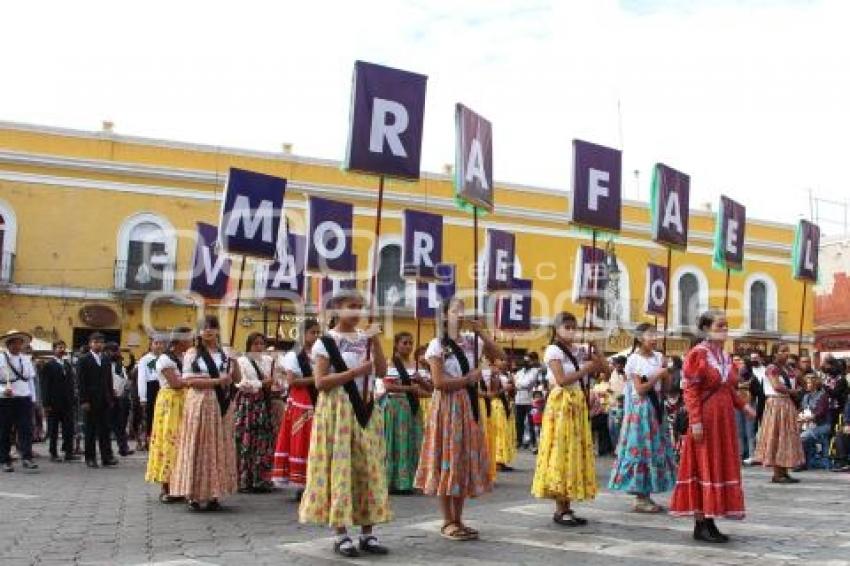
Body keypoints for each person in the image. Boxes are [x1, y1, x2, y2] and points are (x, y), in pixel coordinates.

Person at [299, 290, 391, 557]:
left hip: (364, 408)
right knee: (341, 467)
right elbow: (320, 382)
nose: (357, 312)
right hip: (338, 409)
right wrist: (354, 372)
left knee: (367, 466)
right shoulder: (326, 342)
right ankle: (341, 533)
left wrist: (375, 341)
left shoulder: (365, 339)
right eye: (352, 306)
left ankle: (368, 532)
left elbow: (382, 371)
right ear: (337, 309)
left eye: (360, 307)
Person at [415, 296, 502, 542]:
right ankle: (447, 520)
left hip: (469, 404)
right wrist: (468, 379)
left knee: (462, 460)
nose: (460, 314)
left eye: (462, 310)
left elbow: (501, 355)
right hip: (448, 405)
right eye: (455, 310)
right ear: (444, 316)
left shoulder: (471, 342)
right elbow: (439, 383)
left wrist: (482, 333)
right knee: (448, 459)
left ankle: (459, 518)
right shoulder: (437, 345)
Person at [669, 310, 756, 543]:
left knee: (718, 465)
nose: (725, 330)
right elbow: (690, 390)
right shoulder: (697, 355)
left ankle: (711, 520)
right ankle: (702, 522)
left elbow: (728, 388)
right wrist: (695, 421)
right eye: (720, 326)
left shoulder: (725, 357)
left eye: (726, 326)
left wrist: (743, 406)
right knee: (704, 466)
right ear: (706, 329)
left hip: (724, 420)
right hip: (706, 419)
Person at [531, 312, 605, 526]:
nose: (571, 331)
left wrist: (596, 349)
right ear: (557, 328)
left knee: (574, 452)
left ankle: (567, 505)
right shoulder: (553, 350)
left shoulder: (579, 350)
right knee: (562, 451)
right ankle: (560, 507)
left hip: (578, 404)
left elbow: (605, 370)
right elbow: (562, 380)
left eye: (574, 327)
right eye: (567, 327)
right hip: (562, 404)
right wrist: (585, 370)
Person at [170, 315, 237, 511]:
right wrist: (216, 382)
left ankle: (214, 492)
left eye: (212, 327)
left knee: (218, 448)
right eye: (204, 328)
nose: (208, 331)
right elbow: (188, 380)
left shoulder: (224, 354)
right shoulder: (193, 353)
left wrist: (235, 361)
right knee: (199, 447)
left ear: (217, 330)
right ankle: (195, 493)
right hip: (200, 403)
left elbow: (235, 378)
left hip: (221, 404)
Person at [608, 323, 677, 513]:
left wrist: (666, 373)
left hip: (655, 408)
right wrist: (657, 375)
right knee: (641, 450)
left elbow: (666, 387)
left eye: (656, 335)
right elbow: (640, 389)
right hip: (640, 409)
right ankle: (640, 496)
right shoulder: (633, 360)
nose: (654, 339)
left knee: (654, 450)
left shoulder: (658, 357)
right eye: (650, 335)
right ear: (639, 338)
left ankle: (646, 493)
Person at [271, 318, 320, 499]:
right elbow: (292, 381)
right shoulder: (294, 355)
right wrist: (316, 378)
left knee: (316, 438)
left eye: (317, 332)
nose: (315, 336)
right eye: (312, 332)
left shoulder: (320, 354)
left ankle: (315, 479)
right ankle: (300, 482)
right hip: (301, 401)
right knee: (301, 439)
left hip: (318, 400)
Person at [145, 327, 192, 503]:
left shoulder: (185, 357)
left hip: (185, 401)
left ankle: (181, 483)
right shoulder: (165, 359)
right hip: (171, 403)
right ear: (179, 341)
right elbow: (175, 383)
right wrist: (196, 380)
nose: (191, 342)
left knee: (183, 443)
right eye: (188, 339)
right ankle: (167, 485)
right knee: (169, 441)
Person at [753, 343, 805, 483]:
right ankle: (777, 473)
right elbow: (776, 386)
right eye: (782, 351)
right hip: (776, 404)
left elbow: (799, 382)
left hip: (787, 404)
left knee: (786, 437)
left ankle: (784, 471)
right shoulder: (771, 368)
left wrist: (799, 385)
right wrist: (793, 391)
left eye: (787, 350)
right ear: (775, 353)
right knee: (777, 436)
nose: (786, 353)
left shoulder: (788, 368)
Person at [382, 331, 425, 494]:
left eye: (410, 343)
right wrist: (409, 387)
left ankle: (410, 481)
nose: (408, 346)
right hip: (396, 406)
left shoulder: (416, 364)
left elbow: (428, 387)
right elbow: (387, 386)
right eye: (404, 343)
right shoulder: (391, 363)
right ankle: (395, 481)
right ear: (396, 345)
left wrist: (421, 381)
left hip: (413, 406)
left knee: (413, 442)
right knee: (397, 443)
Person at [233, 332, 275, 493]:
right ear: (249, 345)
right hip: (247, 404)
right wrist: (262, 383)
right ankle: (244, 479)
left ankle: (261, 478)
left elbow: (274, 381)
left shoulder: (268, 361)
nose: (259, 347)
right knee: (246, 439)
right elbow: (241, 383)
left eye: (261, 343)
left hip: (263, 403)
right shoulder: (242, 361)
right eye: (255, 344)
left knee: (262, 440)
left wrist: (270, 384)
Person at [77, 332, 118, 468]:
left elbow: (109, 380)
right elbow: (80, 382)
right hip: (90, 400)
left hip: (104, 399)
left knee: (105, 430)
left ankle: (106, 457)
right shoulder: (83, 359)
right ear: (90, 344)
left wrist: (111, 397)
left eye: (100, 342)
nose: (98, 344)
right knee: (90, 430)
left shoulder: (106, 359)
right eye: (95, 342)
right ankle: (90, 457)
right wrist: (84, 400)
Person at [0, 330, 39, 472]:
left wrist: (33, 398)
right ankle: (5, 460)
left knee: (26, 430)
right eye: (14, 343)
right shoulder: (1, 358)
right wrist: (2, 390)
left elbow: (30, 381)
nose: (17, 346)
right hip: (6, 399)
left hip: (24, 398)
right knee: (5, 430)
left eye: (19, 343)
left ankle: (27, 457)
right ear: (8, 344)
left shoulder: (26, 359)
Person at [40, 340, 79, 462]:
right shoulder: (48, 365)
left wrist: (73, 399)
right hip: (53, 403)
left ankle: (68, 452)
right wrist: (46, 404)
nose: (62, 349)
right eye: (59, 347)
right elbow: (45, 385)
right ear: (54, 349)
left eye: (63, 347)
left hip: (67, 403)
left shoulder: (67, 365)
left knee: (69, 428)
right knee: (53, 430)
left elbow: (71, 384)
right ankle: (53, 453)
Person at [138, 336, 166, 451]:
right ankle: (149, 441)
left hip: (163, 387)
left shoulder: (165, 358)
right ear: (151, 345)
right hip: (151, 387)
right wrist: (143, 397)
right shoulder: (146, 359)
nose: (158, 346)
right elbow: (142, 378)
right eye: (156, 343)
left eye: (161, 343)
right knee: (150, 417)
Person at [488, 359, 516, 473]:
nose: (504, 362)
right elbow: (491, 393)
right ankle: (496, 460)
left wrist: (512, 387)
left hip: (504, 405)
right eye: (501, 360)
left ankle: (502, 460)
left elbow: (512, 393)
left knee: (504, 433)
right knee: (498, 433)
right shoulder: (491, 375)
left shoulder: (506, 375)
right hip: (496, 405)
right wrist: (505, 388)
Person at [106, 343, 134, 457]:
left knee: (120, 425)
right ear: (109, 352)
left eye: (118, 351)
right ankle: (107, 451)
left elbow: (127, 370)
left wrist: (131, 355)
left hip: (121, 398)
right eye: (116, 351)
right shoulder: (106, 364)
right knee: (108, 426)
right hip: (109, 398)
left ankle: (123, 448)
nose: (118, 353)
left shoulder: (119, 364)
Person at [798, 375, 830, 470]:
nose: (807, 385)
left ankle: (802, 463)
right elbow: (801, 410)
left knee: (803, 437)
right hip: (808, 424)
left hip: (822, 425)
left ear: (815, 384)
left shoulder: (822, 396)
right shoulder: (806, 396)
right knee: (792, 434)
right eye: (806, 383)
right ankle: (801, 461)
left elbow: (820, 412)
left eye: (809, 383)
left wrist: (807, 419)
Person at [514, 355, 538, 449]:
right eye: (525, 361)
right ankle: (519, 441)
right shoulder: (520, 372)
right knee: (518, 422)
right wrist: (519, 384)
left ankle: (533, 442)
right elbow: (516, 383)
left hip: (529, 401)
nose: (526, 363)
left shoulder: (534, 371)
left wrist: (519, 384)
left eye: (528, 361)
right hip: (519, 400)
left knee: (531, 422)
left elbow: (528, 383)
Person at [590, 371, 613, 456]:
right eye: (601, 373)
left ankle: (603, 449)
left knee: (603, 430)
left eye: (604, 373)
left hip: (605, 408)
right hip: (598, 411)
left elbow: (612, 393)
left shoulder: (610, 383)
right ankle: (600, 449)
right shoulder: (596, 386)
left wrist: (606, 392)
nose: (602, 374)